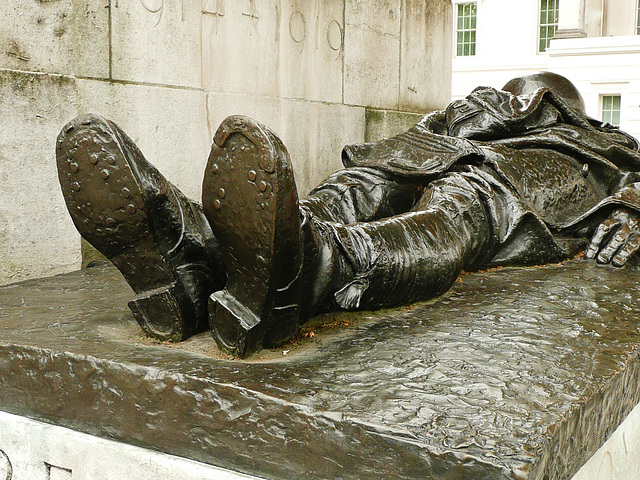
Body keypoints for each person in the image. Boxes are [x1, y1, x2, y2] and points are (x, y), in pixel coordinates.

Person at [57, 72, 640, 358]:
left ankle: (312, 269)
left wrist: (633, 216)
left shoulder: (597, 141)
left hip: (515, 179)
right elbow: (392, 160)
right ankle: (193, 257)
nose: (516, 104)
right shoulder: (465, 112)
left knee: (450, 220)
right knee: (345, 191)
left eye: (532, 100)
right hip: (426, 151)